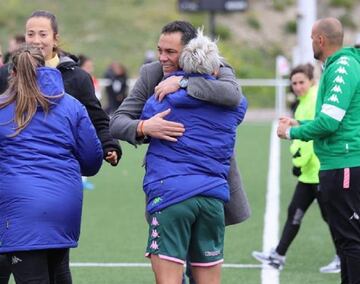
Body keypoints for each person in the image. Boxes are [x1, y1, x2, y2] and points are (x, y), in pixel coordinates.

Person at [110, 20, 250, 284]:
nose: (163, 57)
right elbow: (118, 121)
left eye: (170, 52)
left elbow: (232, 95)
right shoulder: (152, 73)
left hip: (180, 188)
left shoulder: (218, 67)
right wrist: (144, 126)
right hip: (206, 189)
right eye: (159, 50)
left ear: (188, 51)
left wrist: (183, 83)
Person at [0, 10, 121, 283]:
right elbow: (91, 159)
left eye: (43, 33)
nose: (37, 39)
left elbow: (99, 119)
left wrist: (109, 143)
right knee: (56, 270)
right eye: (31, 33)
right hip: (62, 201)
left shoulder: (74, 80)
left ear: (55, 39)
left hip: (18, 206)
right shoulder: (70, 104)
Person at [277, 18, 360, 283]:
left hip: (343, 163)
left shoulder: (342, 68)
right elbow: (331, 118)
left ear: (320, 40)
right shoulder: (336, 66)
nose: (311, 42)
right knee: (345, 238)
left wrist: (292, 132)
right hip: (338, 163)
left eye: (312, 38)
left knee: (350, 239)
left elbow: (329, 123)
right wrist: (300, 123)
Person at [252, 63, 339, 273]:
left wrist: (298, 164)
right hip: (309, 174)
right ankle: (278, 255)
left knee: (333, 216)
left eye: (302, 82)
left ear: (311, 81)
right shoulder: (302, 103)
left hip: (318, 173)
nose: (298, 87)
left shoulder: (313, 101)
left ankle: (342, 257)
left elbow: (312, 135)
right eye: (294, 83)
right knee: (295, 212)